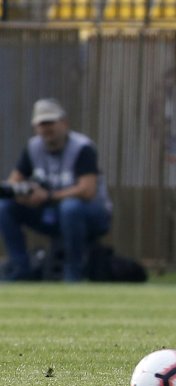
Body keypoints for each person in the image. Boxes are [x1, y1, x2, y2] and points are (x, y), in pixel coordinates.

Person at [0, 98, 112, 282]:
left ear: (64, 123)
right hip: (51, 212)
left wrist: (48, 196)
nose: (46, 129)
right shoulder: (32, 147)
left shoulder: (82, 148)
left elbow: (88, 191)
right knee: (4, 206)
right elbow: (14, 182)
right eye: (42, 124)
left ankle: (73, 273)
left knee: (70, 207)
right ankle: (20, 269)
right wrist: (22, 194)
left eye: (50, 122)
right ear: (35, 127)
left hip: (91, 215)